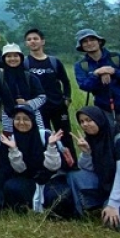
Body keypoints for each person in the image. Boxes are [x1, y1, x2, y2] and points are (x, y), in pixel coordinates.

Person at [67, 106, 120, 230]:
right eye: (82, 121)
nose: (85, 124)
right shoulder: (93, 139)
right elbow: (86, 169)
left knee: (115, 222)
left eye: (89, 120)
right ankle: (85, 209)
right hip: (109, 183)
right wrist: (87, 153)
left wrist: (113, 204)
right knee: (74, 176)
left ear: (100, 119)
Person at [73, 28, 120, 144]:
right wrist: (96, 74)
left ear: (99, 41)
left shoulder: (117, 58)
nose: (89, 43)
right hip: (105, 112)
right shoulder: (82, 65)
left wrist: (113, 71)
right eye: (85, 41)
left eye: (92, 39)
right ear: (81, 46)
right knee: (111, 146)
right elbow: (84, 85)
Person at [0, 106, 66, 214]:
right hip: (27, 180)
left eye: (26, 119)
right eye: (17, 119)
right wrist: (14, 150)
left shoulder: (45, 135)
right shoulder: (12, 139)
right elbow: (20, 170)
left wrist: (51, 146)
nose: (21, 122)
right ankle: (28, 209)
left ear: (33, 120)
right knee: (11, 187)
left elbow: (54, 167)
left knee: (59, 195)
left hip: (50, 179)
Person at [23, 28, 75, 161]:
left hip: (58, 105)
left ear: (42, 41)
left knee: (65, 135)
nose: (32, 41)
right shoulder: (25, 63)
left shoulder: (54, 61)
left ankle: (70, 164)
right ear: (26, 44)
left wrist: (67, 98)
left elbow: (65, 81)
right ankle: (50, 166)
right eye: (29, 40)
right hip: (38, 108)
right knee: (43, 136)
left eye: (35, 38)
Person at [0, 43, 46, 135]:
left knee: (37, 142)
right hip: (9, 118)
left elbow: (42, 97)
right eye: (9, 56)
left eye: (16, 56)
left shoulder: (30, 76)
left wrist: (27, 103)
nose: (12, 59)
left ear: (21, 58)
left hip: (32, 116)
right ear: (4, 59)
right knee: (12, 145)